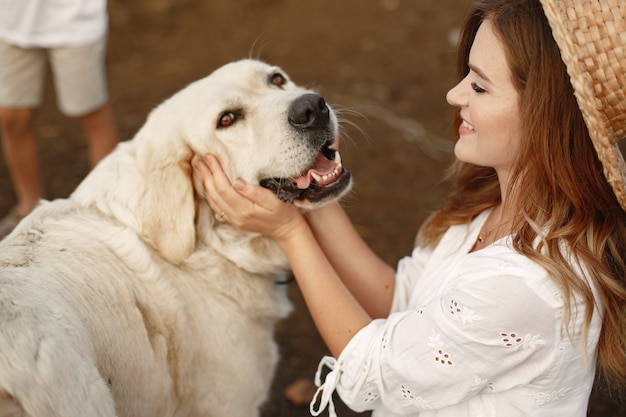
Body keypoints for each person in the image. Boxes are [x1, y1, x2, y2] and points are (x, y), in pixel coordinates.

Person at [195, 0, 626, 415]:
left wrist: (290, 233)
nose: (454, 95)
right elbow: (404, 304)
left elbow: (371, 373)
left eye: (478, 85)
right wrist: (314, 193)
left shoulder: (527, 286)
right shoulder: (494, 207)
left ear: (544, 115)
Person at [0, 0, 119, 239]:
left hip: (73, 20)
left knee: (90, 112)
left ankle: (108, 211)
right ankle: (28, 208)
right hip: (10, 22)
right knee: (11, 118)